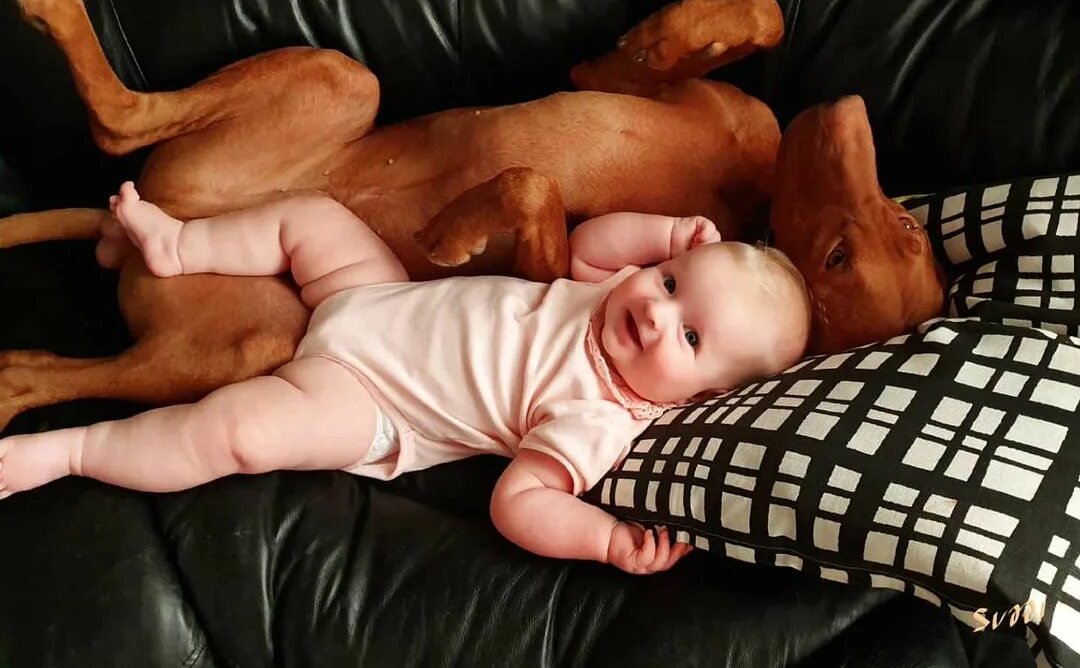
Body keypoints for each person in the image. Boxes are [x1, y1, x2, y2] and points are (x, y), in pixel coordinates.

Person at [0, 182, 811, 574]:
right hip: (377, 294)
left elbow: (519, 501)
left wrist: (602, 541)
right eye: (671, 283)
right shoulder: (610, 294)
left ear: (704, 398)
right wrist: (667, 235)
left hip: (373, 402)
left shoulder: (602, 418)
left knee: (237, 434)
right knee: (311, 216)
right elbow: (588, 246)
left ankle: (68, 452)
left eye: (690, 336)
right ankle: (181, 246)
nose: (657, 312)